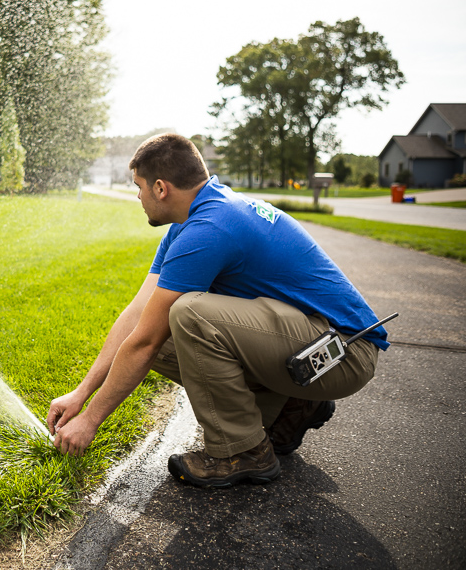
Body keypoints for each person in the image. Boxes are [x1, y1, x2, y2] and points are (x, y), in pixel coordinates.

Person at [47, 133, 388, 488]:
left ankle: (241, 452)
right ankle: (291, 407)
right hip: (309, 347)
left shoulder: (210, 228)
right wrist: (81, 393)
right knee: (162, 334)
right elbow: (138, 314)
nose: (138, 196)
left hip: (343, 354)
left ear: (161, 188)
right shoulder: (189, 223)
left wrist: (90, 421)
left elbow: (144, 342)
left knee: (188, 315)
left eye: (139, 186)